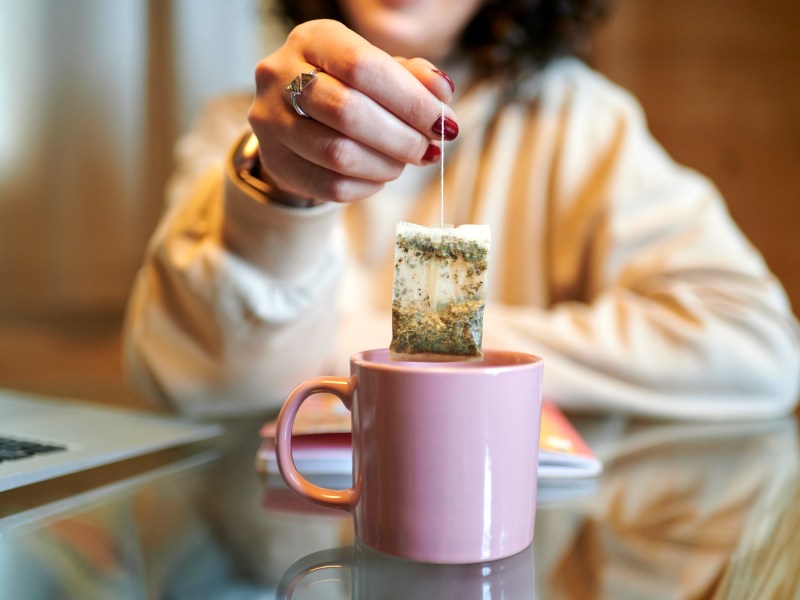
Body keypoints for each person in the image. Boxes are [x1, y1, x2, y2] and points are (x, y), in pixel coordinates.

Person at [123, 0, 800, 420]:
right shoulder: (242, 124)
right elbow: (183, 373)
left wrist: (411, 346)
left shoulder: (580, 122)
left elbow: (759, 346)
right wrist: (274, 184)